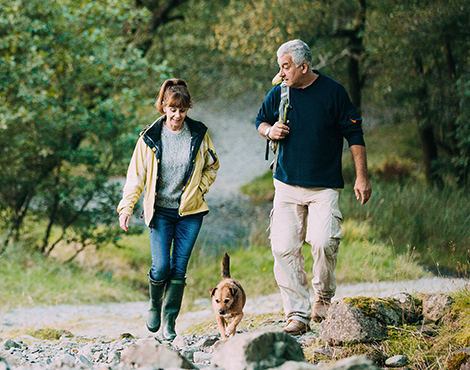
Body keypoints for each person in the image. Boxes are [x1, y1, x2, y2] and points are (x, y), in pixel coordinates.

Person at [255, 39, 372, 336]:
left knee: (322, 243)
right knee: (283, 248)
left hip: (323, 187)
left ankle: (322, 297)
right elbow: (260, 120)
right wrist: (271, 130)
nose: (281, 73)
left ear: (303, 67)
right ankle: (296, 313)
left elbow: (354, 134)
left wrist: (362, 177)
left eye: (286, 67)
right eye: (280, 67)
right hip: (285, 184)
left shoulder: (333, 93)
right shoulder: (279, 92)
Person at [117, 78, 219, 341]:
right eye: (172, 109)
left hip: (190, 213)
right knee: (161, 267)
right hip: (160, 212)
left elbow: (212, 165)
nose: (177, 116)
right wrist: (126, 208)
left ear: (187, 110)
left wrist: (200, 188)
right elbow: (135, 176)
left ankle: (170, 321)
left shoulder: (199, 133)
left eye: (182, 110)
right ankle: (155, 304)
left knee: (179, 268)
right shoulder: (149, 138)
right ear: (163, 107)